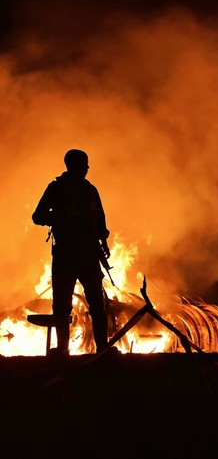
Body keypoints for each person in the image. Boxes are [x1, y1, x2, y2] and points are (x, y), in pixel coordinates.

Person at [32, 149, 111, 355]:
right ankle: (63, 348)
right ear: (73, 164)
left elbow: (100, 221)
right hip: (65, 254)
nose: (87, 167)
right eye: (84, 163)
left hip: (88, 254)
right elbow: (38, 216)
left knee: (96, 303)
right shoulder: (56, 189)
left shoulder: (91, 190)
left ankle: (102, 347)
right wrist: (61, 217)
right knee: (62, 305)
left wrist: (103, 242)